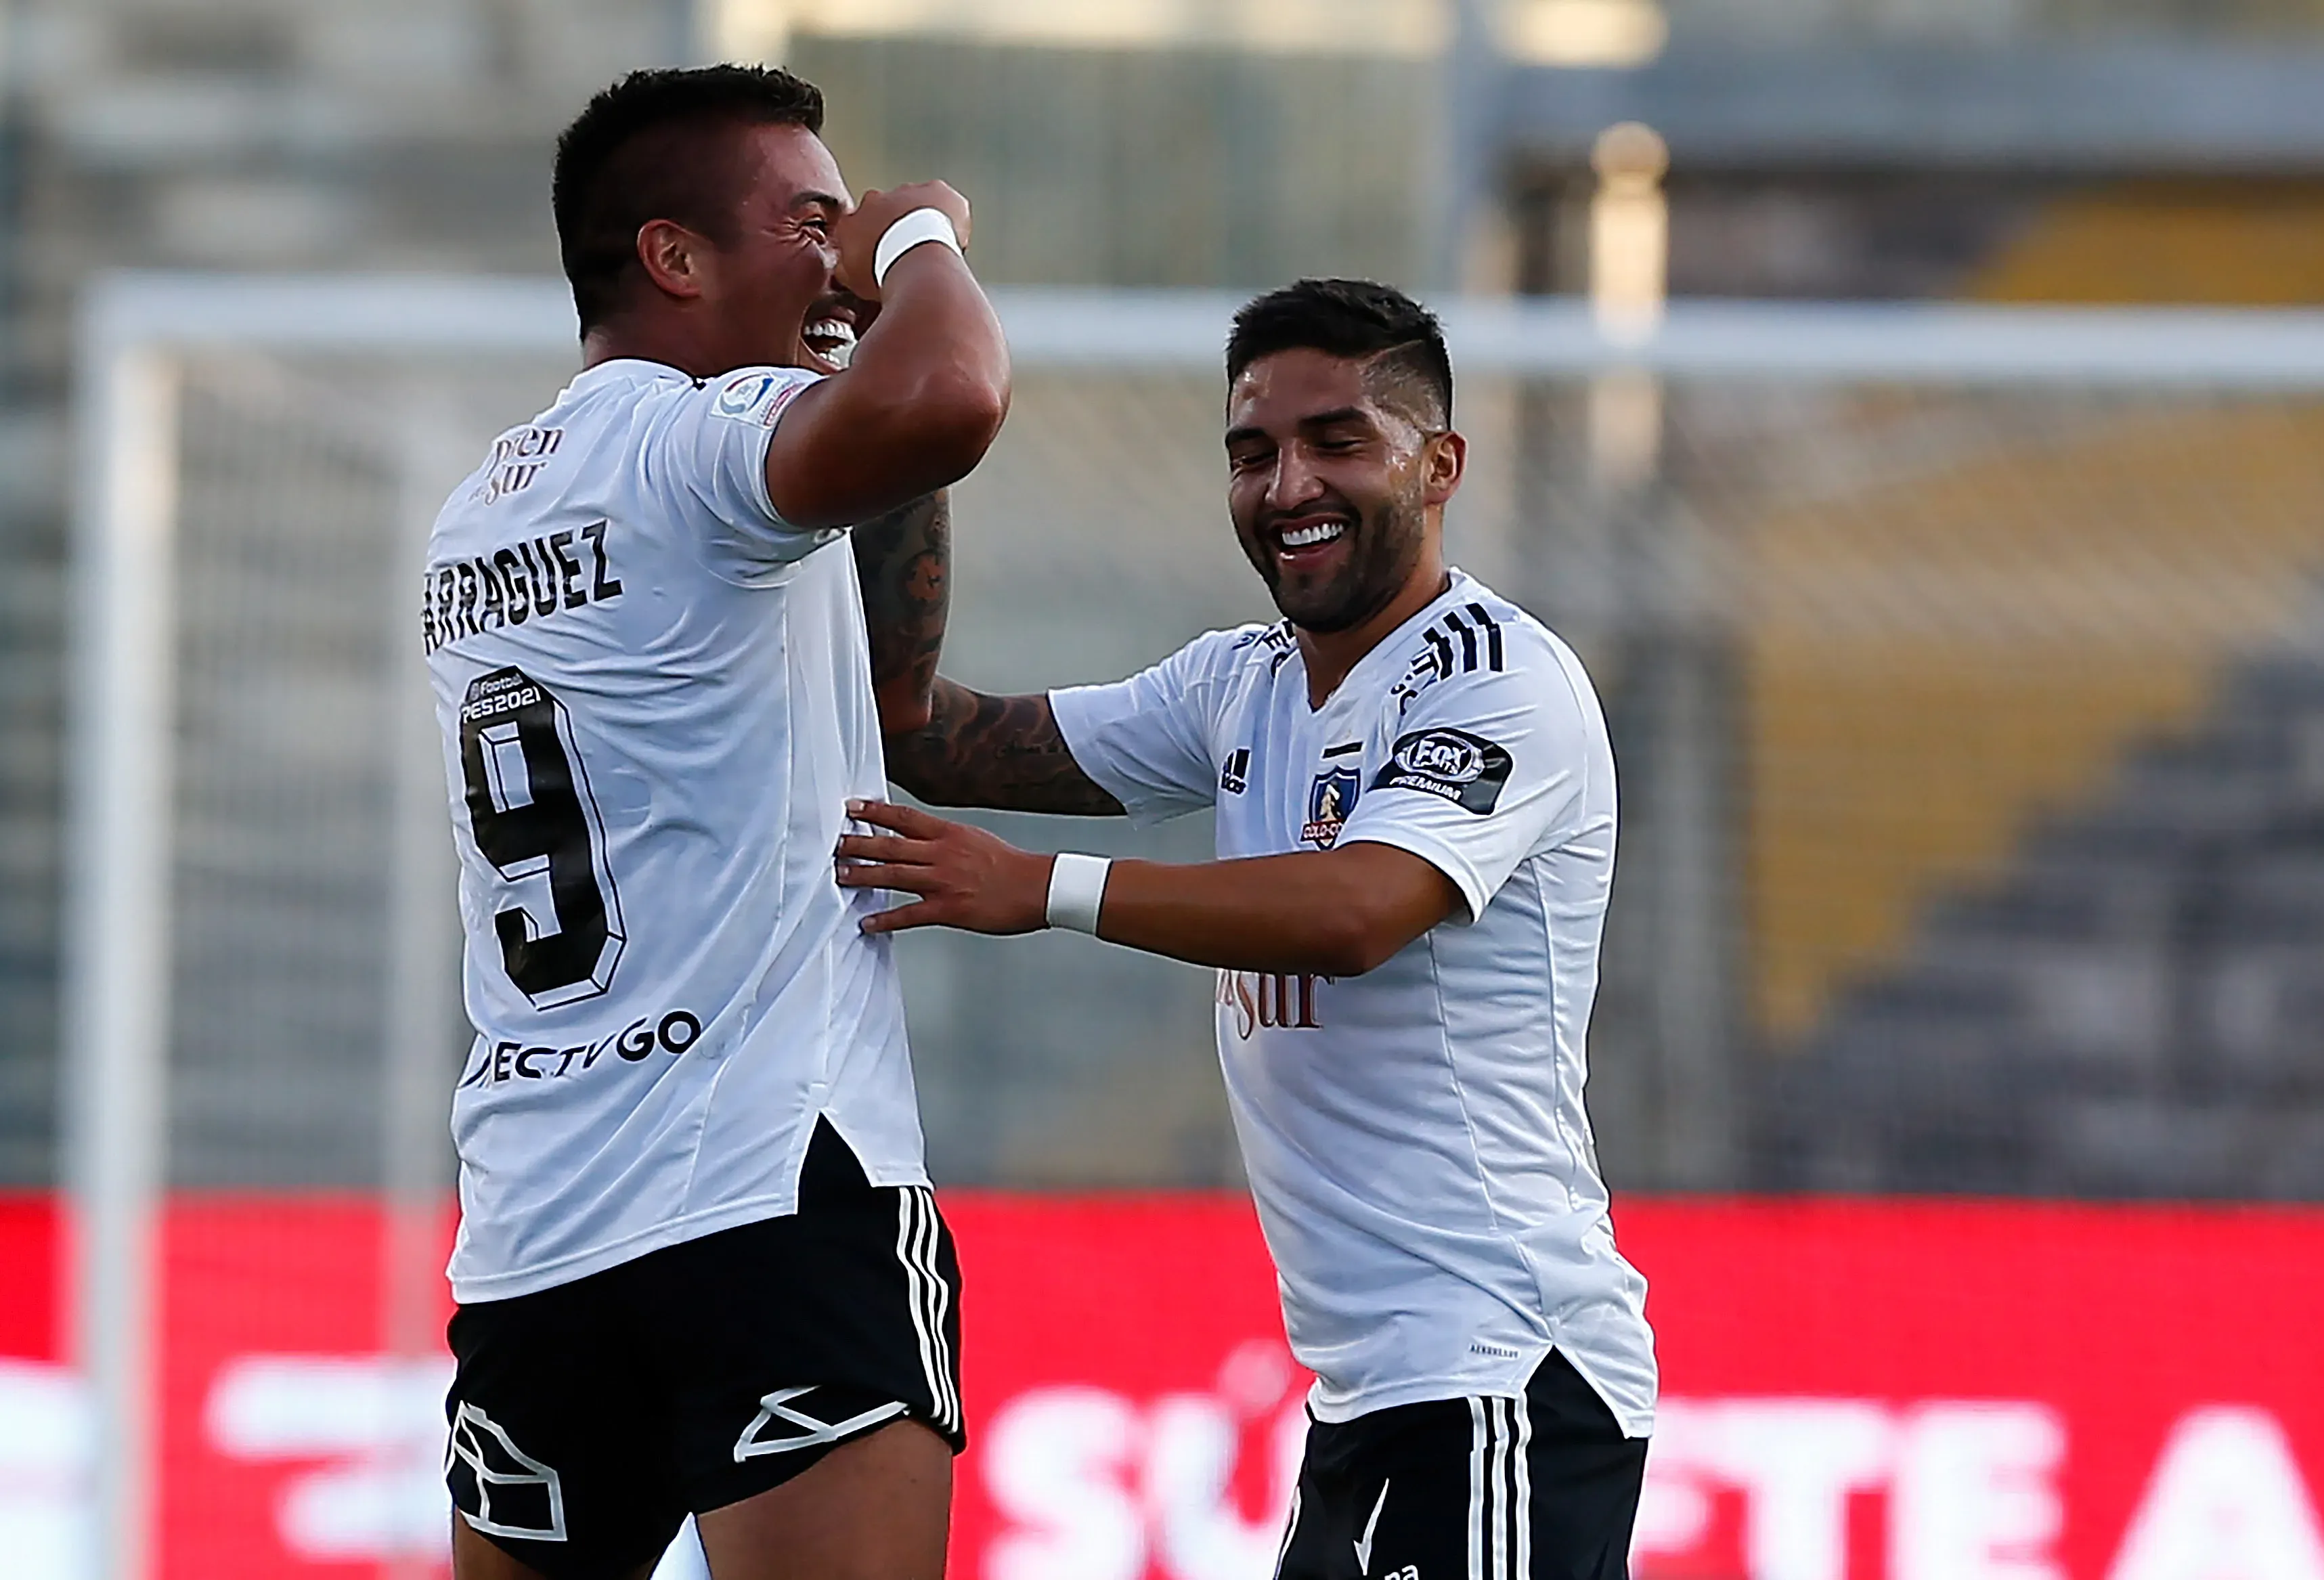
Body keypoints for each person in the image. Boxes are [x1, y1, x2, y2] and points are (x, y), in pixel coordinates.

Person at [841, 280, 1656, 1580]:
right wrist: (896, 402)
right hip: (1372, 1395)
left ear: (1439, 465)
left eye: (1338, 440)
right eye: (1253, 452)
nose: (1289, 486)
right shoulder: (1243, 681)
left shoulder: (1506, 681)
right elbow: (936, 734)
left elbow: (1354, 910)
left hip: (1505, 1370)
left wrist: (1042, 886)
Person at [419, 64, 1008, 1580]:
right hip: (766, 1179)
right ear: (676, 259)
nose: (841, 251)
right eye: (809, 222)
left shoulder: (479, 509)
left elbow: (886, 701)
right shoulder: (696, 442)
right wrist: (925, 241)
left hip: (539, 1219)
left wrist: (854, 332)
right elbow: (950, 398)